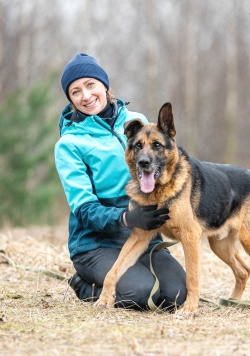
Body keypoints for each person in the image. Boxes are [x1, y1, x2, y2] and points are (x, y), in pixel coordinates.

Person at [55, 53, 187, 311]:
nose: (86, 95)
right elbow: (83, 209)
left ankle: (137, 272)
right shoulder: (69, 145)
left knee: (176, 295)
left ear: (104, 85)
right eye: (75, 91)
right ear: (70, 99)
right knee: (140, 293)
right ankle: (84, 284)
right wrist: (126, 218)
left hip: (143, 236)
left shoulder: (135, 121)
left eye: (90, 84)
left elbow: (163, 163)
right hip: (96, 243)